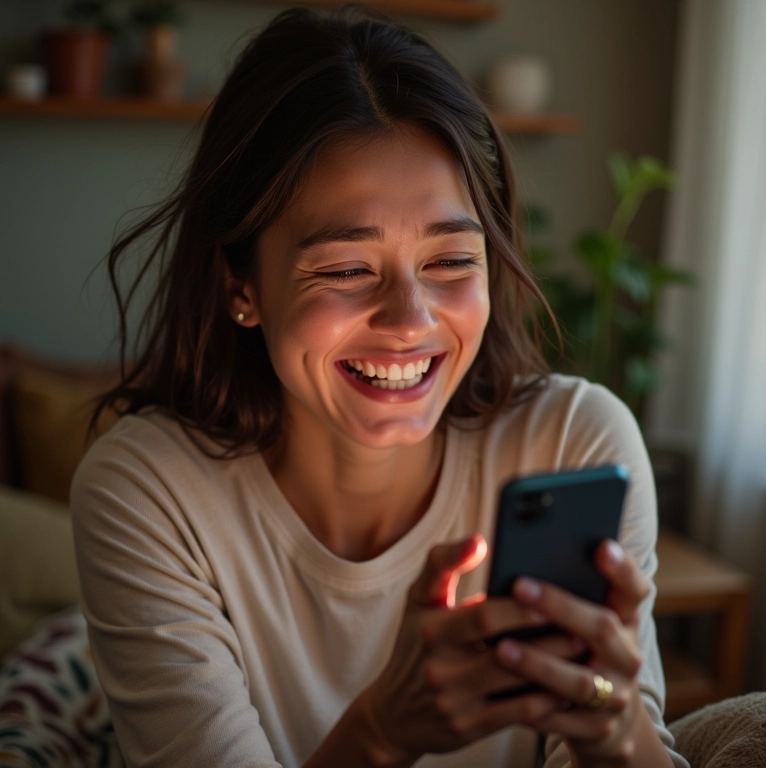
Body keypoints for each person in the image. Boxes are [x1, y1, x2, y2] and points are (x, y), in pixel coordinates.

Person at [71, 8, 689, 767]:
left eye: (452, 261)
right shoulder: (150, 491)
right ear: (241, 285)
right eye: (344, 269)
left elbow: (625, 736)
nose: (409, 320)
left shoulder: (573, 443)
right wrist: (382, 733)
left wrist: (616, 724)